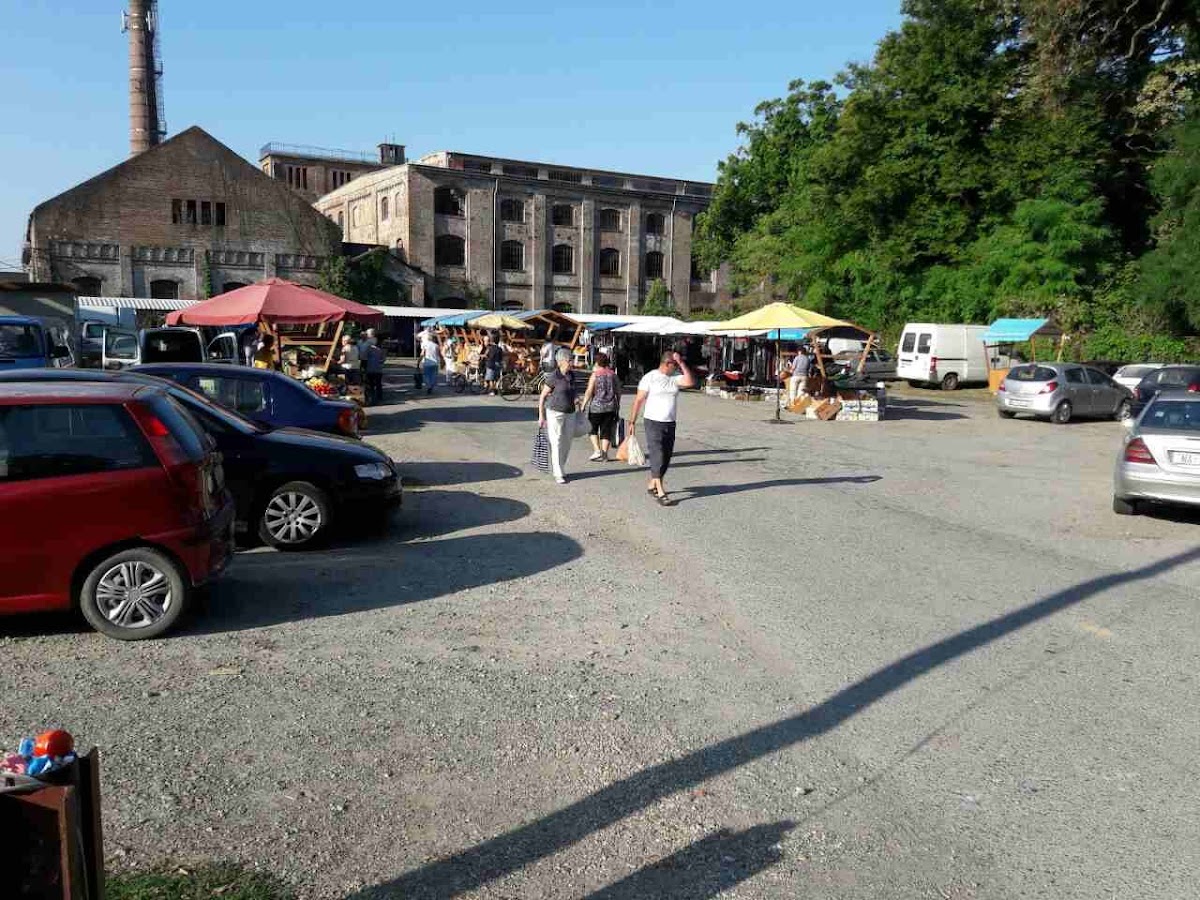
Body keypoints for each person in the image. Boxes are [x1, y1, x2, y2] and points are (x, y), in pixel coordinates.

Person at [629, 351, 695, 505]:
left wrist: (682, 363)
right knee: (657, 454)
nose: (676, 367)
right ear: (667, 364)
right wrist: (632, 421)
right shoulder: (650, 377)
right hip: (653, 421)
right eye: (675, 364)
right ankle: (660, 491)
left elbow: (690, 382)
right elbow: (639, 400)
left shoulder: (674, 378)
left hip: (670, 422)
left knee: (666, 456)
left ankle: (653, 484)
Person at [537, 349, 579, 485]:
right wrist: (541, 416)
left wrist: (577, 399)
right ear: (561, 362)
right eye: (569, 360)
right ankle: (558, 473)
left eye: (572, 360)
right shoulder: (553, 377)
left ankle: (561, 466)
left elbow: (573, 391)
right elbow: (542, 396)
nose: (572, 363)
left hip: (570, 412)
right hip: (554, 412)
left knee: (567, 442)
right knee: (556, 442)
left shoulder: (572, 375)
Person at [580, 352, 621, 461]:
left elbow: (589, 391)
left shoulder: (595, 375)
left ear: (597, 362)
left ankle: (597, 450)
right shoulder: (613, 374)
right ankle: (605, 454)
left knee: (592, 428)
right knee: (606, 430)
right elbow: (618, 391)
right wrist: (618, 404)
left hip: (596, 407)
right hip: (610, 407)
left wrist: (583, 404)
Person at [419, 331, 441, 395]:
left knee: (427, 376)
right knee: (433, 376)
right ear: (433, 339)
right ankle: (431, 386)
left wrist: (419, 362)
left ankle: (429, 386)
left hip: (427, 363)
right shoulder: (436, 345)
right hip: (435, 363)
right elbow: (438, 354)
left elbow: (422, 354)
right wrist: (441, 361)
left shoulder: (425, 345)